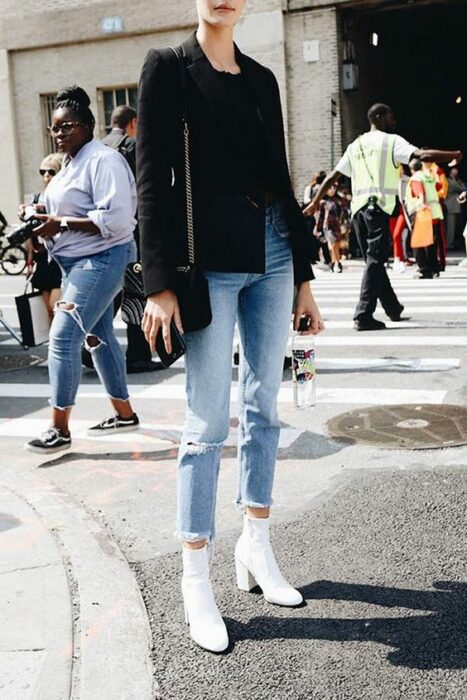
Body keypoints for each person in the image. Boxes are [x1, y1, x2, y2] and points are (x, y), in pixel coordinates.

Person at [137, 0, 324, 653]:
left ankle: (256, 543)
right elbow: (151, 180)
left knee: (264, 409)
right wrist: (157, 284)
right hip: (207, 267)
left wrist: (301, 275)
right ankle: (195, 577)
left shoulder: (262, 80)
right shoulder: (168, 67)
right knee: (206, 424)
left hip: (273, 254)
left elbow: (279, 178)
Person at [24, 85, 139, 455]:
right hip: (75, 263)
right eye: (54, 129)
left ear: (89, 125)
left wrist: (62, 223)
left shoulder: (103, 160)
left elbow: (119, 219)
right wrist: (39, 219)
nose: (59, 134)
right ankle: (124, 414)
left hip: (101, 258)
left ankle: (59, 429)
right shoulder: (70, 164)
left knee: (62, 339)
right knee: (99, 335)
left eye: (67, 126)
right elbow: (62, 214)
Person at [304, 103, 462, 331]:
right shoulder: (391, 141)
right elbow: (422, 154)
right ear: (378, 117)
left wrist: (314, 203)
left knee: (373, 259)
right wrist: (454, 155)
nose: (393, 121)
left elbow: (332, 176)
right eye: (390, 117)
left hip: (358, 211)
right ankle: (363, 315)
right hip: (377, 209)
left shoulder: (355, 145)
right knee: (376, 260)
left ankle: (392, 308)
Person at [101, 105, 161, 373]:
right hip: (133, 229)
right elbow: (146, 187)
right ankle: (138, 355)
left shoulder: (99, 148)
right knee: (135, 291)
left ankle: (88, 344)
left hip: (104, 231)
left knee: (112, 293)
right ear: (133, 122)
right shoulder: (131, 145)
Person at [26, 154, 63, 320]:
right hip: (42, 258)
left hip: (60, 258)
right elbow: (30, 233)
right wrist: (29, 261)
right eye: (43, 171)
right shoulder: (36, 199)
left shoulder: (65, 198)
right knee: (48, 315)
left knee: (56, 309)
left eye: (51, 171)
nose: (46, 175)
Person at [405, 158, 443, 279]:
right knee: (431, 242)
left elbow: (420, 194)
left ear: (411, 169)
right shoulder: (428, 177)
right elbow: (438, 186)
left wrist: (420, 204)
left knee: (418, 243)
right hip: (435, 212)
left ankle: (424, 270)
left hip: (422, 213)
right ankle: (434, 268)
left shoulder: (416, 178)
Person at [315, 184, 343, 272]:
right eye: (330, 188)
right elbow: (320, 216)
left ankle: (334, 263)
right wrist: (317, 228)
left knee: (337, 244)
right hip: (328, 225)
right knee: (333, 244)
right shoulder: (323, 202)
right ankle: (337, 263)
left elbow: (343, 213)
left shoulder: (338, 200)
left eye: (334, 188)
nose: (332, 190)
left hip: (337, 225)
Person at [445, 167, 465, 250]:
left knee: (451, 226)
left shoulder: (448, 180)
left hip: (450, 206)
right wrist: (461, 183)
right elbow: (462, 189)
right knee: (451, 227)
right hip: (451, 207)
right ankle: (449, 244)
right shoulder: (451, 182)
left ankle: (450, 243)